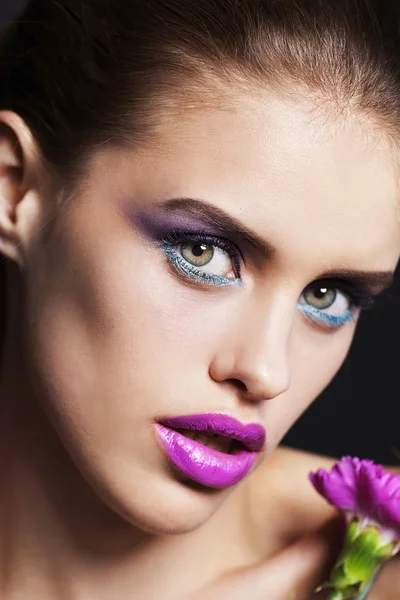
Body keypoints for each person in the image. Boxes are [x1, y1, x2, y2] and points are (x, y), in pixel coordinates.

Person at [0, 0, 399, 598]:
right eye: (205, 252)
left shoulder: (378, 566)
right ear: (14, 188)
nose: (266, 372)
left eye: (328, 295)